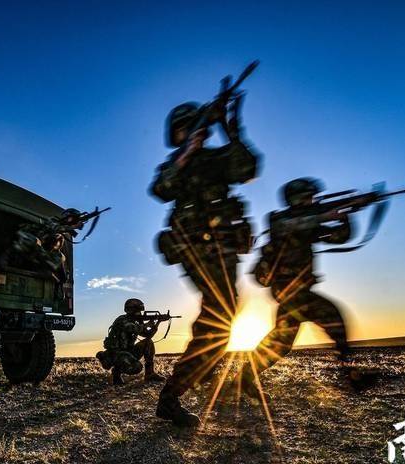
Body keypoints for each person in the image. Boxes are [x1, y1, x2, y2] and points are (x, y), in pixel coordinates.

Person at [150, 97, 260, 427]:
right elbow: (161, 188)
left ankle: (197, 374)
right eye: (185, 129)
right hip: (195, 249)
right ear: (177, 134)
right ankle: (172, 396)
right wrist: (186, 154)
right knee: (220, 314)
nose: (191, 133)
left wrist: (231, 128)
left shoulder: (215, 159)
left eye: (195, 127)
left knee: (222, 315)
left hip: (223, 249)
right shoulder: (176, 165)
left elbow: (247, 169)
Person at [244, 177, 362, 393]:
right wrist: (325, 215)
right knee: (333, 320)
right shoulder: (280, 220)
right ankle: (352, 377)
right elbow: (295, 224)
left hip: (297, 290)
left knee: (282, 342)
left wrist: (346, 218)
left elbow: (338, 238)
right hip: (287, 289)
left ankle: (244, 377)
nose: (312, 201)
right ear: (295, 199)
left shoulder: (309, 225)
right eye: (308, 197)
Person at [95, 298, 166, 385]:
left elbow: (148, 335)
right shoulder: (122, 320)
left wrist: (158, 322)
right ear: (132, 310)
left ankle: (150, 374)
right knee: (136, 367)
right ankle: (116, 372)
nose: (140, 313)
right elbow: (132, 328)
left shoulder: (134, 322)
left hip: (128, 351)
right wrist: (146, 324)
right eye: (138, 311)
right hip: (116, 353)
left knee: (148, 342)